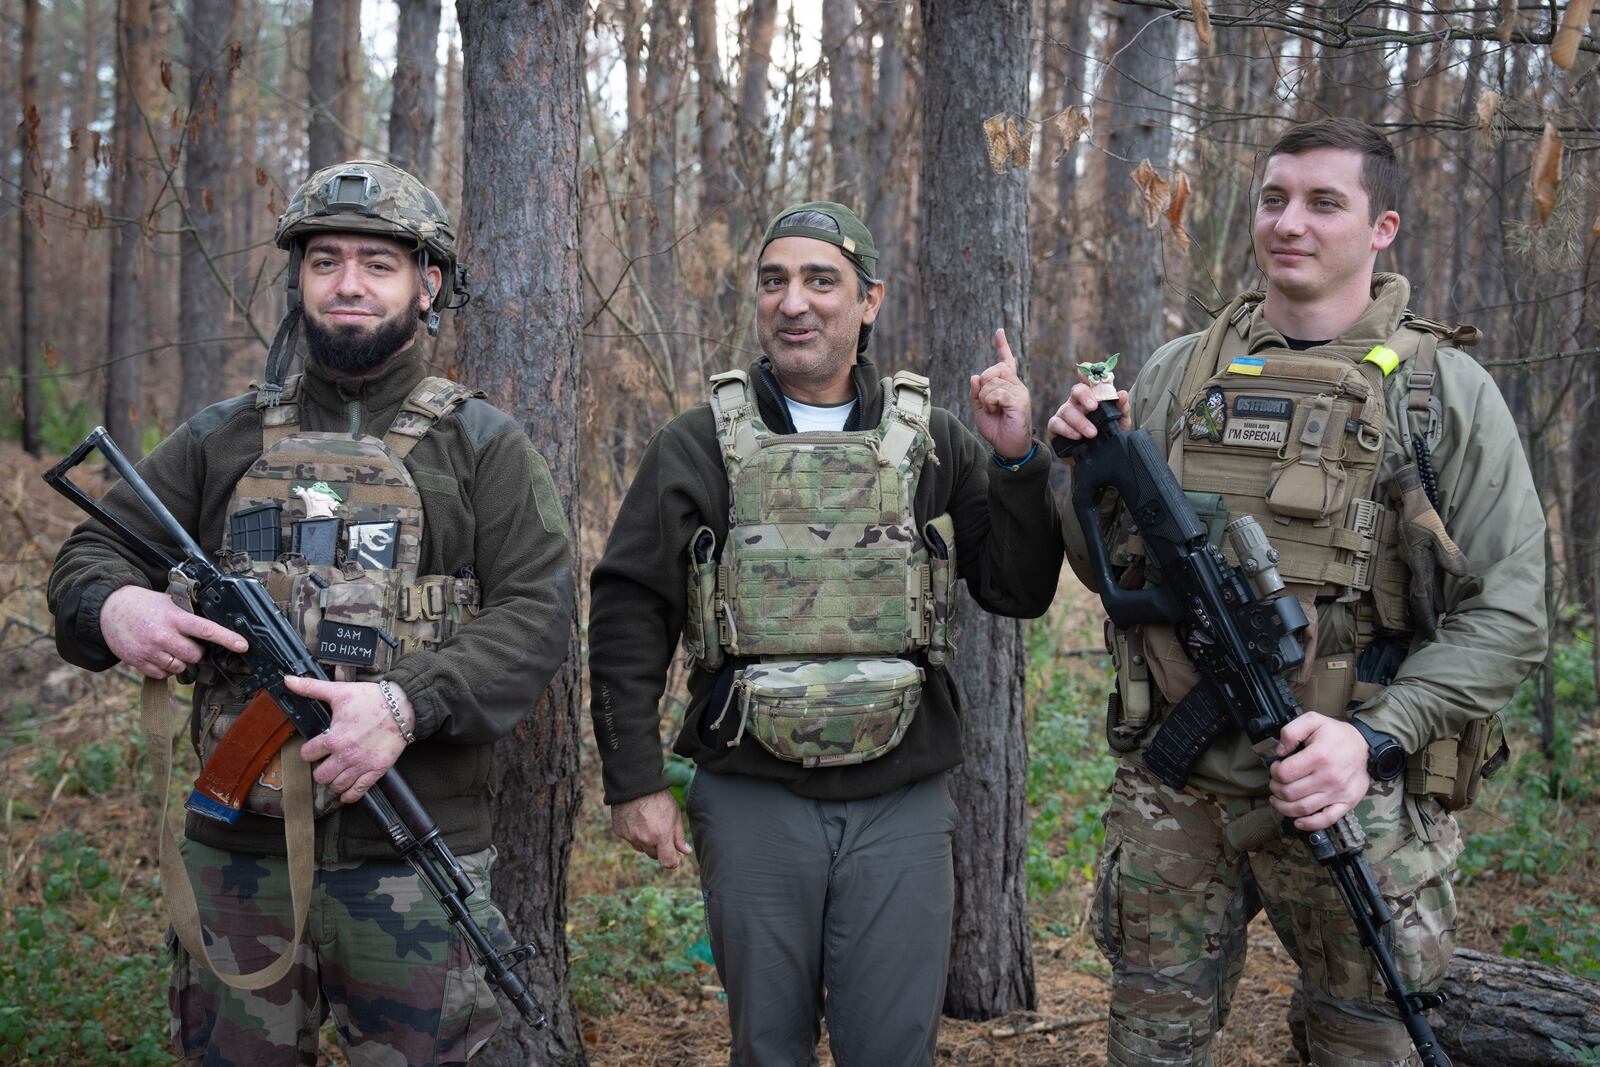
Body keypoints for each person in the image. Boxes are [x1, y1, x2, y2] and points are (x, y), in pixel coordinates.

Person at [48, 159, 574, 1065]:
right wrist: (117, 607)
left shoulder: (481, 445)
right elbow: (87, 559)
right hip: (237, 862)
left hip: (412, 862)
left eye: (379, 262)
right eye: (325, 259)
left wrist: (405, 701)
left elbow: (538, 613)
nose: (349, 284)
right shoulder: (223, 437)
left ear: (428, 282)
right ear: (298, 276)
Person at [1049, 118, 1548, 1066]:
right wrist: (1065, 464)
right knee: (1150, 1043)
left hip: (1355, 799)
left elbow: (1512, 614)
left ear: (1382, 226)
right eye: (1275, 198)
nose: (1291, 223)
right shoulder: (1178, 372)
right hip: (1179, 794)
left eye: (1325, 202)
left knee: (1365, 1043)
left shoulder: (1443, 390)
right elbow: (1108, 565)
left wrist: (1371, 736)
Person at [589, 201, 1063, 1065]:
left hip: (900, 794)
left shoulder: (933, 440)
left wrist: (1019, 460)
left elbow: (1017, 589)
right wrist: (634, 779)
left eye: (820, 280)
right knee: (767, 1046)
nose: (794, 302)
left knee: (890, 1047)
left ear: (869, 300)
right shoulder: (700, 442)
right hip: (751, 792)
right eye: (774, 282)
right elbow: (630, 607)